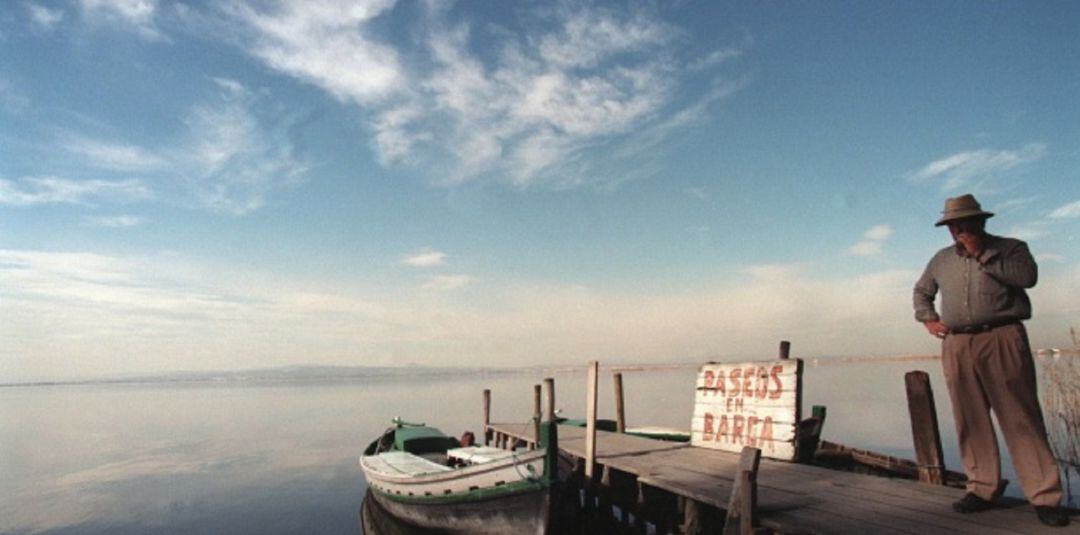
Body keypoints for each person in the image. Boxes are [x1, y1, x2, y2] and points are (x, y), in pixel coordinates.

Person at [913, 193, 1069, 527]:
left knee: (1020, 415)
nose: (958, 230)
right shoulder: (940, 259)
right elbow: (921, 291)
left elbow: (1027, 279)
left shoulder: (1012, 248)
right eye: (952, 225)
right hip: (957, 343)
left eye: (964, 223)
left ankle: (1044, 496)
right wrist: (928, 317)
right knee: (969, 418)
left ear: (981, 221)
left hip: (1002, 337)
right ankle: (983, 488)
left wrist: (981, 254)